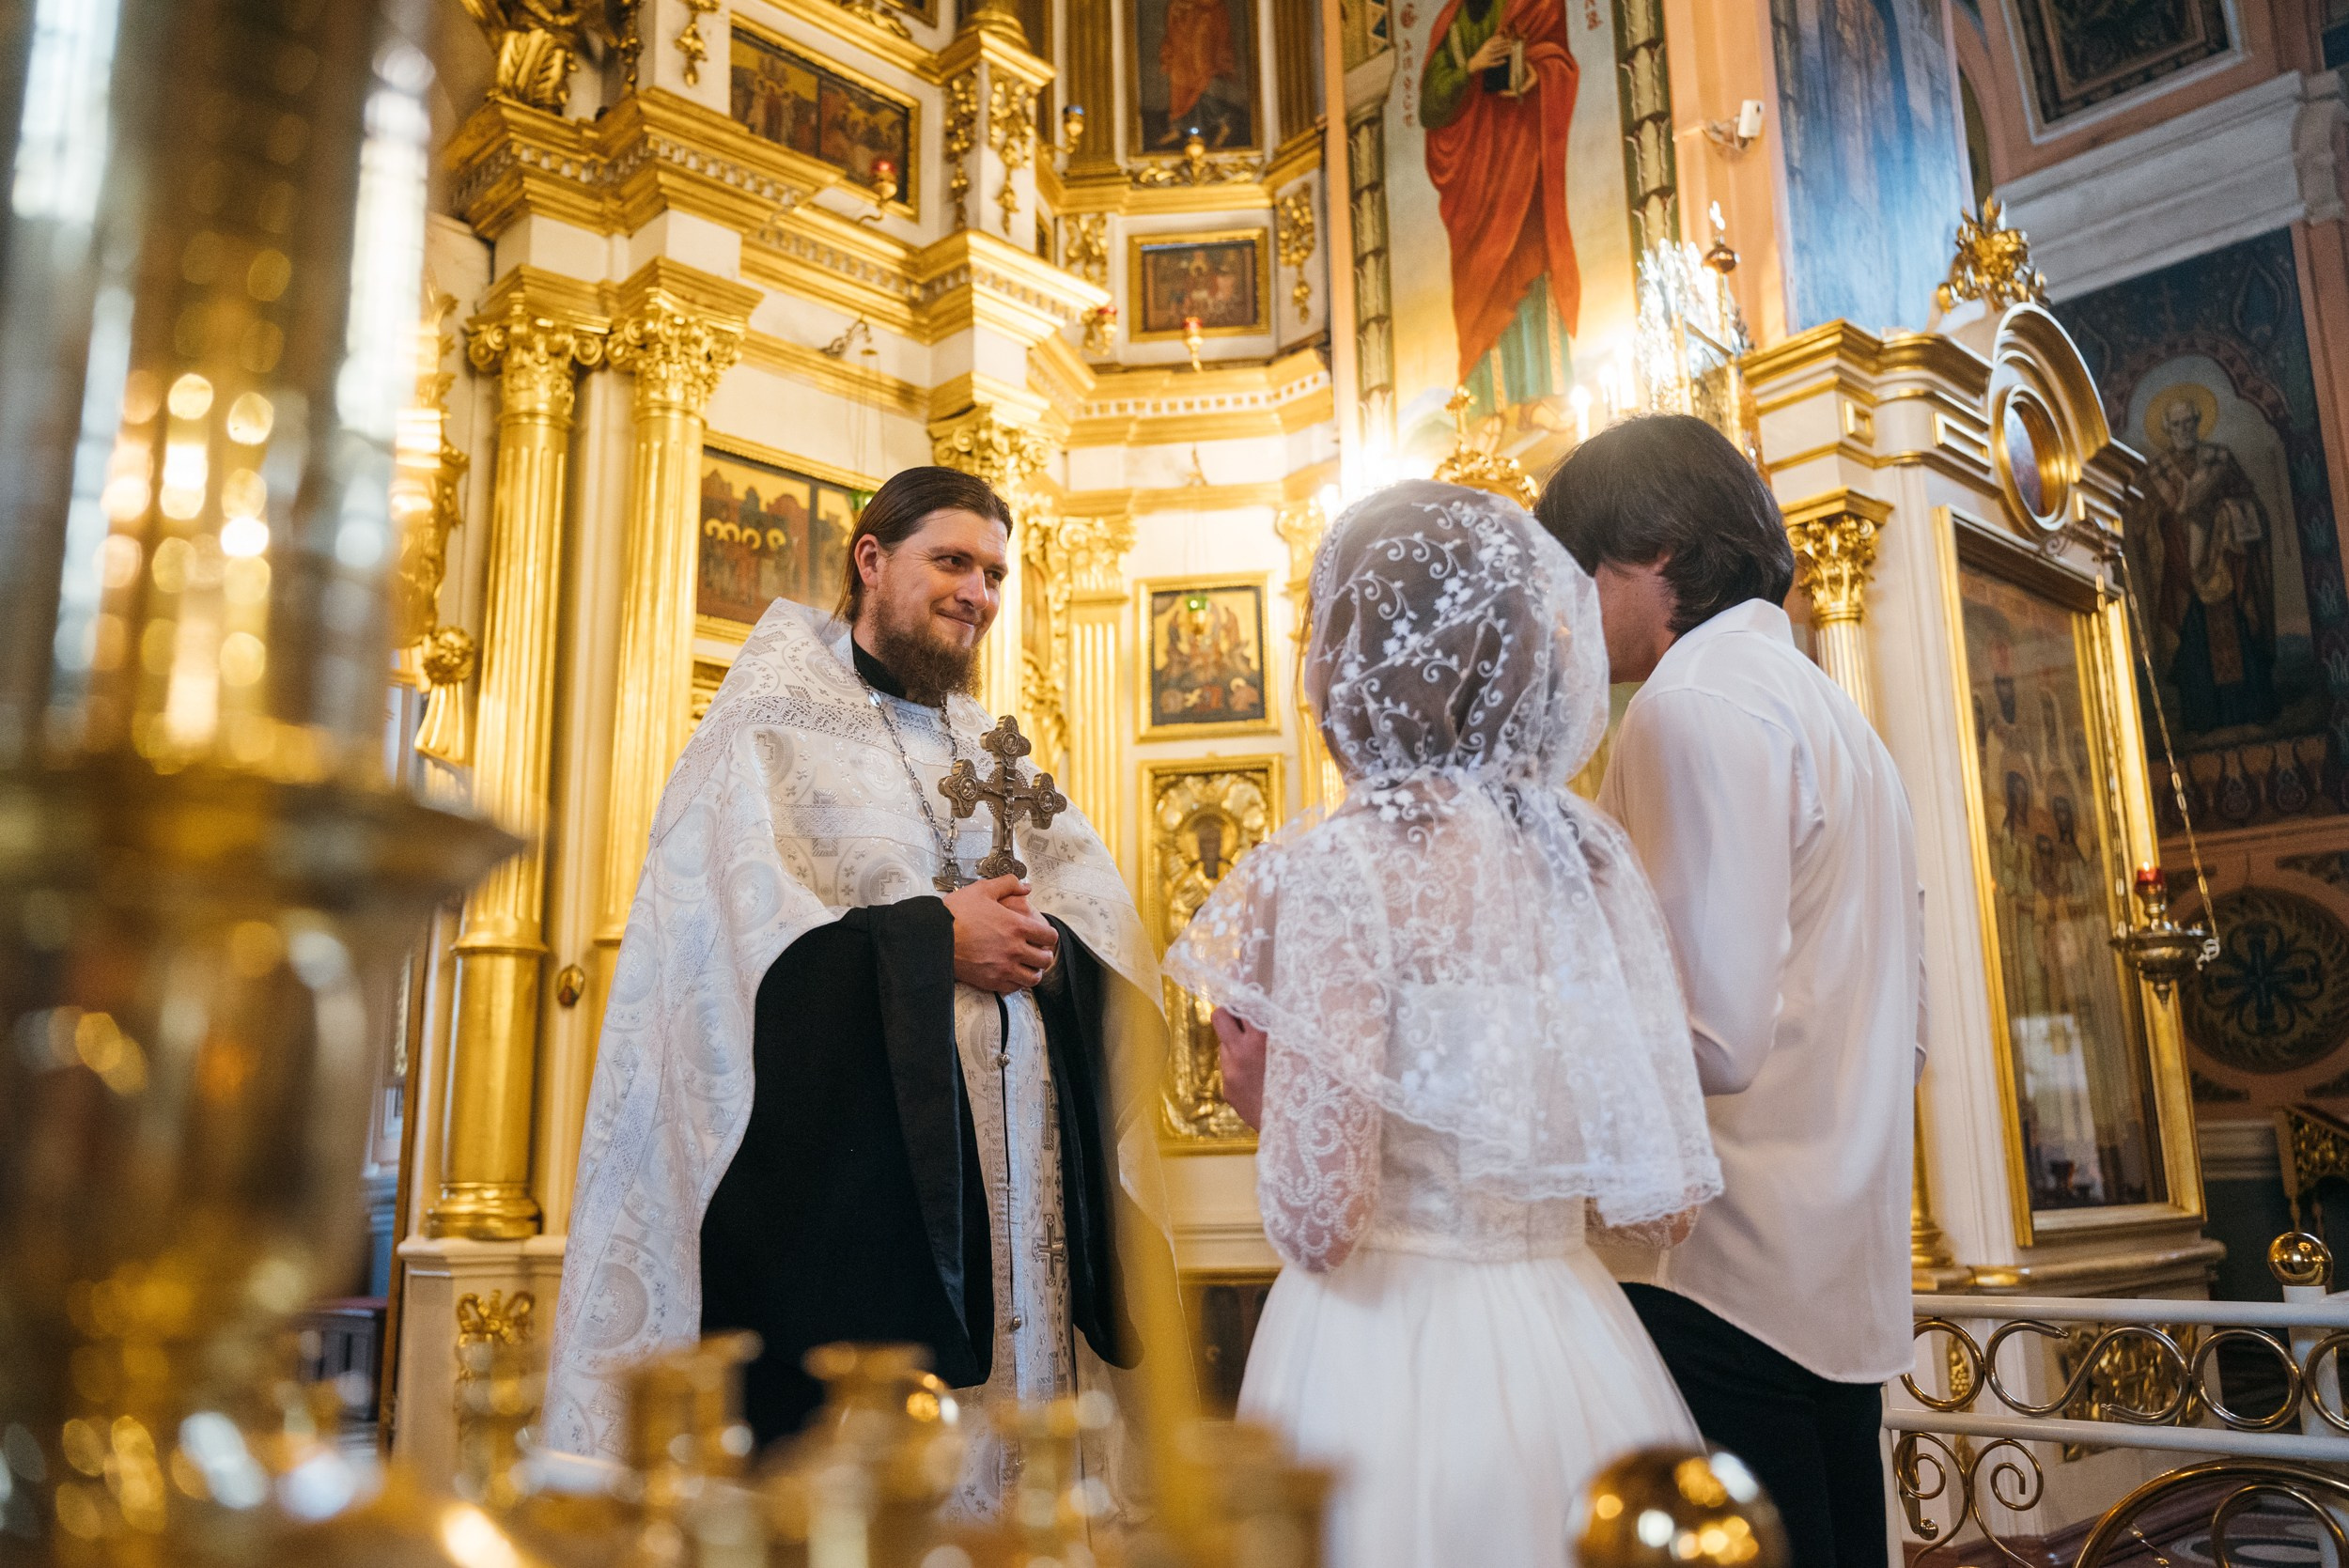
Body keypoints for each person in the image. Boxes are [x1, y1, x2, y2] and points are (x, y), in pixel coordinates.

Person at [543, 467, 1166, 1515]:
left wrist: (1046, 946)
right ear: (870, 560)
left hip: (1022, 1207)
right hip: (858, 1215)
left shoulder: (995, 750)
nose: (978, 592)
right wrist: (932, 942)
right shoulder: (766, 735)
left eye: (995, 572)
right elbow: (722, 979)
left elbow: (1106, 938)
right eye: (953, 561)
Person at [1164, 480, 1722, 1568]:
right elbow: (1662, 1208)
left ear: (1361, 654)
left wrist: (1263, 1101)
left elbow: (1322, 1217)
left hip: (1385, 1347)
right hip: (1575, 1337)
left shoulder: (1337, 867)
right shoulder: (1587, 856)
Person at [1535, 414, 1925, 1568]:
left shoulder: (1689, 705)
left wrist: (1518, 1049)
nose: (1561, 615)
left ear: (1648, 552)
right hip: (1835, 1249)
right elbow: (1901, 1029)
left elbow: (1709, 1037)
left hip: (1720, 1266)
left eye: (1574, 577)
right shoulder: (1827, 707)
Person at [1419, 0, 1579, 386]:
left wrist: (1534, 73)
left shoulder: (1536, 4)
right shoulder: (1452, 22)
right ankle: (1484, 406)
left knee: (1531, 260)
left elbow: (1559, 61)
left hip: (1523, 158)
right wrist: (1470, 66)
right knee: (1479, 283)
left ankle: (1547, 390)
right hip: (1473, 178)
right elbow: (1429, 107)